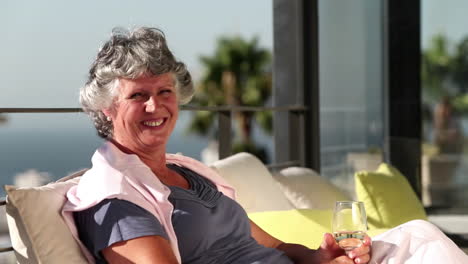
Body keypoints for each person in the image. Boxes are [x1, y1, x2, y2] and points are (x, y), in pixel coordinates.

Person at [61, 27, 468, 264]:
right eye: (137, 96)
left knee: (420, 234)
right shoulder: (116, 202)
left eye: (164, 90)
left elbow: (272, 244)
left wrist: (320, 257)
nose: (156, 105)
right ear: (107, 109)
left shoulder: (186, 174)